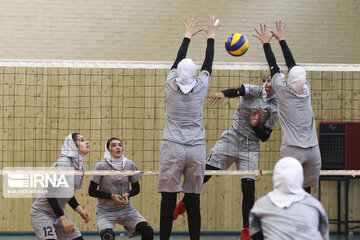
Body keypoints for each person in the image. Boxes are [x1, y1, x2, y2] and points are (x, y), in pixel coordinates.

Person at [173, 76, 279, 240]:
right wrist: (223, 93)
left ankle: (246, 231)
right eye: (267, 80)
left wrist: (255, 125)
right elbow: (238, 91)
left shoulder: (274, 108)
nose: (268, 84)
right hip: (232, 137)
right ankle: (184, 203)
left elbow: (265, 136)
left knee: (248, 189)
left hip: (251, 147)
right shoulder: (255, 90)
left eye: (272, 83)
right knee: (205, 173)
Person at [157, 16, 220, 240]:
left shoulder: (170, 84)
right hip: (195, 149)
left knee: (167, 200)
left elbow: (177, 61)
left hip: (172, 148)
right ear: (194, 75)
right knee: (193, 201)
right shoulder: (201, 86)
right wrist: (211, 36)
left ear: (177, 74)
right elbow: (208, 65)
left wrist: (187, 35)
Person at [253, 20, 321, 194]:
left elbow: (273, 65)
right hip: (313, 151)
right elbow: (293, 65)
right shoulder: (306, 90)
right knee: (305, 194)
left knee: (287, 192)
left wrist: (266, 43)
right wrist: (282, 40)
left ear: (289, 80)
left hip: (293, 150)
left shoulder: (282, 89)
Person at [249, 156, 329, 240]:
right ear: (300, 177)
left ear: (275, 177)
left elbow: (256, 235)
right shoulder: (315, 205)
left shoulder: (260, 205)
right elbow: (324, 236)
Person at [88, 137, 153, 240]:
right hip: (106, 211)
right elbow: (91, 191)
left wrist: (128, 194)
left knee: (148, 231)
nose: (118, 147)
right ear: (108, 149)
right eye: (114, 145)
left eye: (120, 145)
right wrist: (112, 196)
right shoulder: (101, 165)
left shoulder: (129, 164)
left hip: (126, 210)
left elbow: (136, 188)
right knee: (107, 236)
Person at [30, 133, 91, 240]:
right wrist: (62, 218)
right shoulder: (65, 163)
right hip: (42, 213)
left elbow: (67, 193)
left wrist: (79, 210)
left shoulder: (80, 167)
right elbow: (50, 192)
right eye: (81, 140)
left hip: (57, 213)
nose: (87, 142)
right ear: (73, 145)